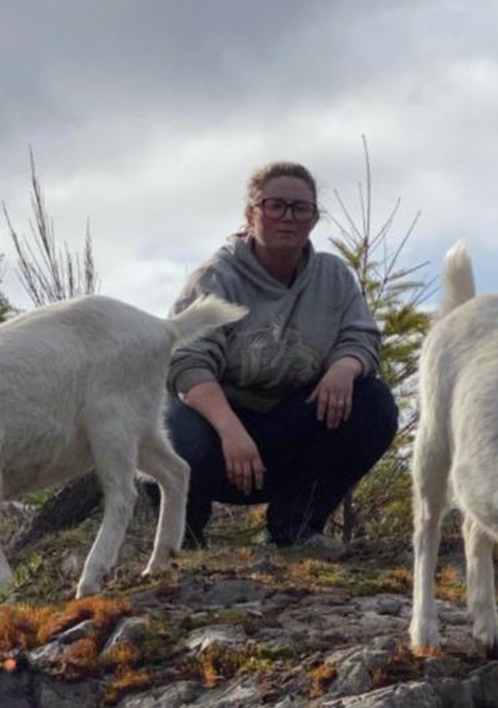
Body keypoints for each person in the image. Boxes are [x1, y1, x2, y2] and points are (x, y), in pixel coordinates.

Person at [166, 161, 399, 555]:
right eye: (274, 205)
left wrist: (345, 367)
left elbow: (361, 336)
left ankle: (296, 527)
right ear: (251, 213)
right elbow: (187, 363)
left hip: (286, 430)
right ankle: (181, 538)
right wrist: (230, 430)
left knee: (373, 402)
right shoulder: (218, 276)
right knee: (169, 431)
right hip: (216, 432)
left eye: (299, 208)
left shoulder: (333, 276)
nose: (287, 217)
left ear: (313, 219)